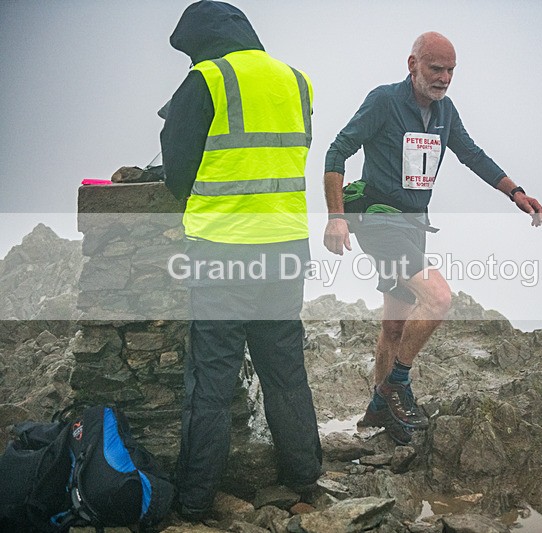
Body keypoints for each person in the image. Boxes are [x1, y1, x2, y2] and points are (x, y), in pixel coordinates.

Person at [323, 32, 542, 445]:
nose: (443, 78)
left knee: (395, 324)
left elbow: (471, 153)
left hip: (413, 224)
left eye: (450, 71)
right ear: (413, 65)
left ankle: (377, 408)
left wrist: (515, 192)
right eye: (435, 68)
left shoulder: (446, 112)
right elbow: (337, 151)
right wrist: (336, 218)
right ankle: (397, 385)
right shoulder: (384, 101)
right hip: (377, 219)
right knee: (439, 298)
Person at [160, 1, 321, 520]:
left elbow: (177, 167)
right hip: (285, 245)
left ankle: (194, 500)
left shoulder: (207, 79)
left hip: (223, 250)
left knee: (212, 378)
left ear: (200, 40)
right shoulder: (298, 80)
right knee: (284, 368)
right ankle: (302, 478)